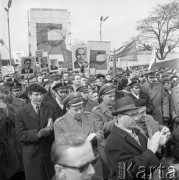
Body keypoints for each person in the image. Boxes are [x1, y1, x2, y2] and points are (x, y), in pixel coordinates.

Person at [105, 96, 170, 180]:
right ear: (120, 116)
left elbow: (152, 159)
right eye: (132, 115)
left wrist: (159, 146)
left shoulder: (137, 132)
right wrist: (151, 150)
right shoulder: (112, 143)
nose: (136, 118)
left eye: (136, 114)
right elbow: (128, 172)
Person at [53, 92, 103, 178]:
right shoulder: (60, 124)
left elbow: (100, 132)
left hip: (93, 157)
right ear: (67, 109)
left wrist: (96, 138)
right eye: (76, 110)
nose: (80, 111)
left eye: (81, 108)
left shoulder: (89, 116)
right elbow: (62, 147)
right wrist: (83, 143)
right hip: (76, 164)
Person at [15, 83, 58, 180]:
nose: (40, 97)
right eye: (36, 94)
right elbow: (20, 135)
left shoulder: (50, 107)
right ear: (29, 95)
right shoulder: (21, 113)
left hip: (50, 152)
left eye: (41, 94)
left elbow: (58, 126)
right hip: (32, 156)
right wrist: (38, 133)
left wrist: (51, 131)